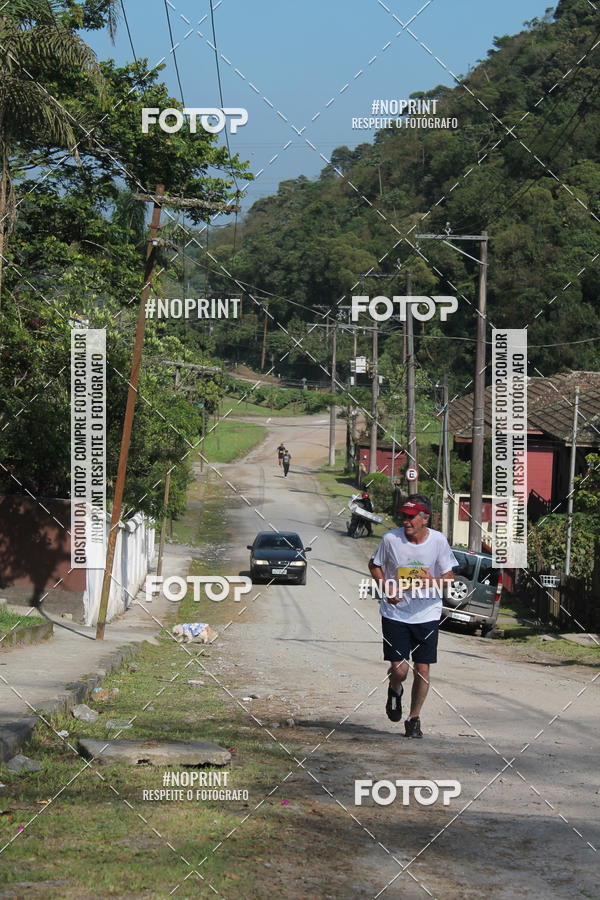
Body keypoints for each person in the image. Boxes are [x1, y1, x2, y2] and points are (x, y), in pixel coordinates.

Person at [368, 494, 457, 738]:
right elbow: (374, 565)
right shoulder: (390, 539)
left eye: (411, 517)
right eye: (403, 516)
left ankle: (413, 718)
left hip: (427, 612)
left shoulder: (438, 541)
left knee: (423, 669)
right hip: (395, 613)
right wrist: (386, 587)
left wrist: (433, 581)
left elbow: (450, 577)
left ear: (424, 518)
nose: (405, 521)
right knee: (400, 670)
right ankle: (394, 689)